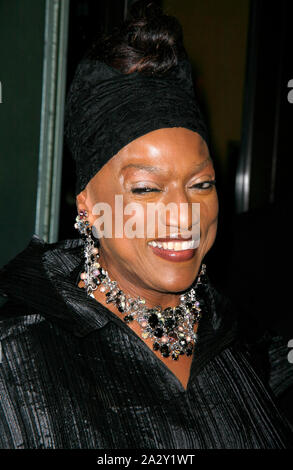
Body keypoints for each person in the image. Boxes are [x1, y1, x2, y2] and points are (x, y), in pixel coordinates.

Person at [0, 1, 292, 449]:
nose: (183, 215)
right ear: (88, 205)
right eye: (146, 189)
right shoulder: (17, 354)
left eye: (201, 184)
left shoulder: (244, 344)